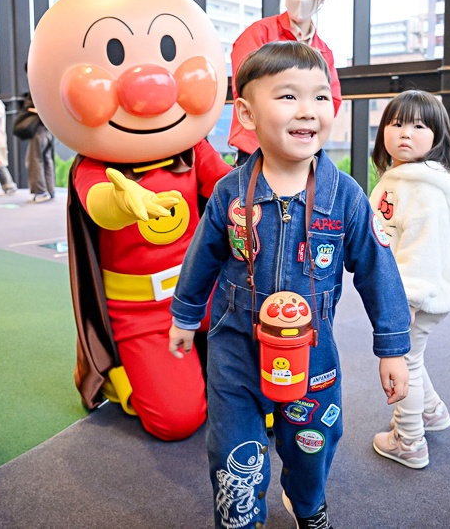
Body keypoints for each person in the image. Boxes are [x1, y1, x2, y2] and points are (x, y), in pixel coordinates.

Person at [168, 41, 411, 529]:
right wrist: (184, 315)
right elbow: (203, 258)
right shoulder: (230, 192)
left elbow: (376, 271)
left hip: (313, 350)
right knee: (233, 448)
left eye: (321, 98)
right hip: (235, 344)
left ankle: (306, 503)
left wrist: (393, 347)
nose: (308, 111)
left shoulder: (345, 195)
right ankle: (240, 517)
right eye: (287, 97)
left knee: (314, 441)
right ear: (247, 113)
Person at [26, 0, 232, 441]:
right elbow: (99, 205)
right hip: (142, 312)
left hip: (206, 290)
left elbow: (227, 188)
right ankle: (125, 374)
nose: (150, 87)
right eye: (116, 56)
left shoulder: (194, 149)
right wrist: (125, 199)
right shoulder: (93, 165)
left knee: (268, 377)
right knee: (178, 421)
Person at [367, 89, 450, 469]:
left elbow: (421, 253)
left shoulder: (423, 190)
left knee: (404, 361)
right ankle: (431, 410)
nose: (404, 133)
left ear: (437, 137)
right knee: (413, 356)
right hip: (418, 293)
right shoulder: (403, 179)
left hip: (417, 296)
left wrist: (405, 303)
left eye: (418, 125)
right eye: (396, 124)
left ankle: (408, 440)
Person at [228, 0, 342, 165]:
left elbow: (332, 99)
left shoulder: (324, 51)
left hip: (302, 153)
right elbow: (245, 89)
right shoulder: (259, 33)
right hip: (255, 150)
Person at [17, 91, 56, 203]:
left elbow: (31, 109)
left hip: (38, 131)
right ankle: (50, 190)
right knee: (46, 160)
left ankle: (41, 192)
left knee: (34, 160)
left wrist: (32, 110)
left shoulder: (37, 90)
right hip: (48, 130)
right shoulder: (49, 89)